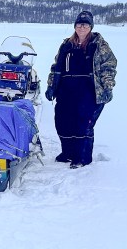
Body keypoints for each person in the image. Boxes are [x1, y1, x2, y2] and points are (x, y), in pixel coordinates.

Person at [44, 10, 117, 169]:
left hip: (88, 91)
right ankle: (68, 153)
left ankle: (82, 158)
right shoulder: (66, 45)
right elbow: (56, 66)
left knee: (83, 124)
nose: (81, 27)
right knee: (63, 122)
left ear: (90, 26)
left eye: (85, 24)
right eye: (79, 24)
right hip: (66, 91)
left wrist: (107, 87)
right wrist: (51, 86)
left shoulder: (99, 45)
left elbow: (109, 67)